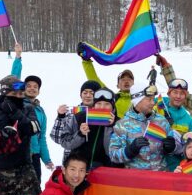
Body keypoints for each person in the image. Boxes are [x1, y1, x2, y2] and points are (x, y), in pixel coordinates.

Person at [10, 42, 54, 180]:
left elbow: (42, 138)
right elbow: (13, 79)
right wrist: (18, 57)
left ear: (39, 91)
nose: (32, 88)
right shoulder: (17, 103)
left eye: (36, 87)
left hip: (34, 156)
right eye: (28, 86)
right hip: (16, 153)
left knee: (34, 194)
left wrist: (46, 159)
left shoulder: (41, 112)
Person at [109, 85, 178, 171]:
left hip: (160, 176)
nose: (153, 103)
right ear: (137, 101)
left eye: (153, 99)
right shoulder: (122, 125)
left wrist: (171, 148)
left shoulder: (162, 121)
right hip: (136, 179)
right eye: (149, 99)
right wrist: (130, 150)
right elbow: (113, 155)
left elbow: (175, 150)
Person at [53, 88, 119, 170]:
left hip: (105, 171)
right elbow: (64, 142)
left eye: (107, 104)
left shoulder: (119, 123)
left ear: (112, 105)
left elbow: (114, 154)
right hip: (79, 170)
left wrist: (111, 127)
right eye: (98, 103)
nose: (102, 107)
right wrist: (80, 134)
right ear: (94, 104)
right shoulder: (80, 117)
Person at [77, 42, 135, 118]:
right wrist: (86, 61)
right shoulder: (111, 97)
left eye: (129, 79)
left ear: (134, 83)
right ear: (118, 85)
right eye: (123, 80)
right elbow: (94, 79)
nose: (126, 81)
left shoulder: (140, 100)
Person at [50, 80, 102, 161]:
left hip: (96, 160)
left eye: (92, 93)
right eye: (85, 93)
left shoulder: (102, 115)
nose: (88, 95)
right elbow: (57, 138)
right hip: (72, 160)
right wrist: (60, 117)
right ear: (80, 95)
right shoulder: (71, 113)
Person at [157, 78, 192, 171]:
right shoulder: (157, 104)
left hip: (174, 168)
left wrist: (175, 148)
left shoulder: (189, 121)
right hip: (153, 165)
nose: (178, 96)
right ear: (169, 93)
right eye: (175, 92)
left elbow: (190, 148)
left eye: (182, 93)